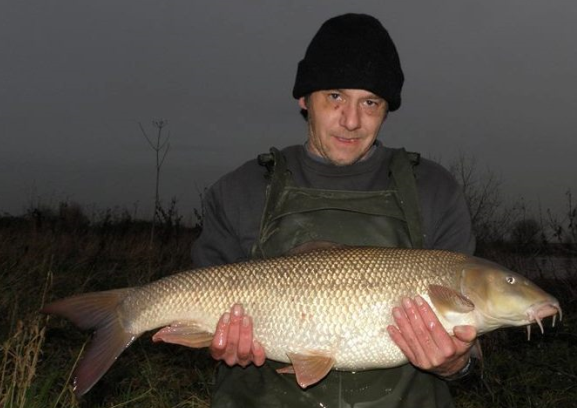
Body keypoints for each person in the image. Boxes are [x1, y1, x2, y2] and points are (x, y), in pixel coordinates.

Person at [192, 13, 477, 408]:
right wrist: (218, 344)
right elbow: (198, 307)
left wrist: (455, 363)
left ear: (386, 109)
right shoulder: (240, 190)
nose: (352, 121)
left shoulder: (435, 190)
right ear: (304, 98)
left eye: (370, 102)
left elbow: (469, 355)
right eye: (335, 97)